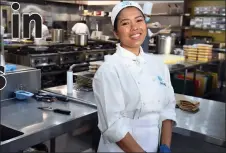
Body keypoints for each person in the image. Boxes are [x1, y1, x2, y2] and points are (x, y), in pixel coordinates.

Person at [92, 1, 177, 153]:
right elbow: (114, 126)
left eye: (139, 20)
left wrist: (165, 146)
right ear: (116, 33)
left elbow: (168, 109)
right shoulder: (109, 70)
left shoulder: (158, 65)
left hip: (154, 146)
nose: (135, 28)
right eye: (126, 23)